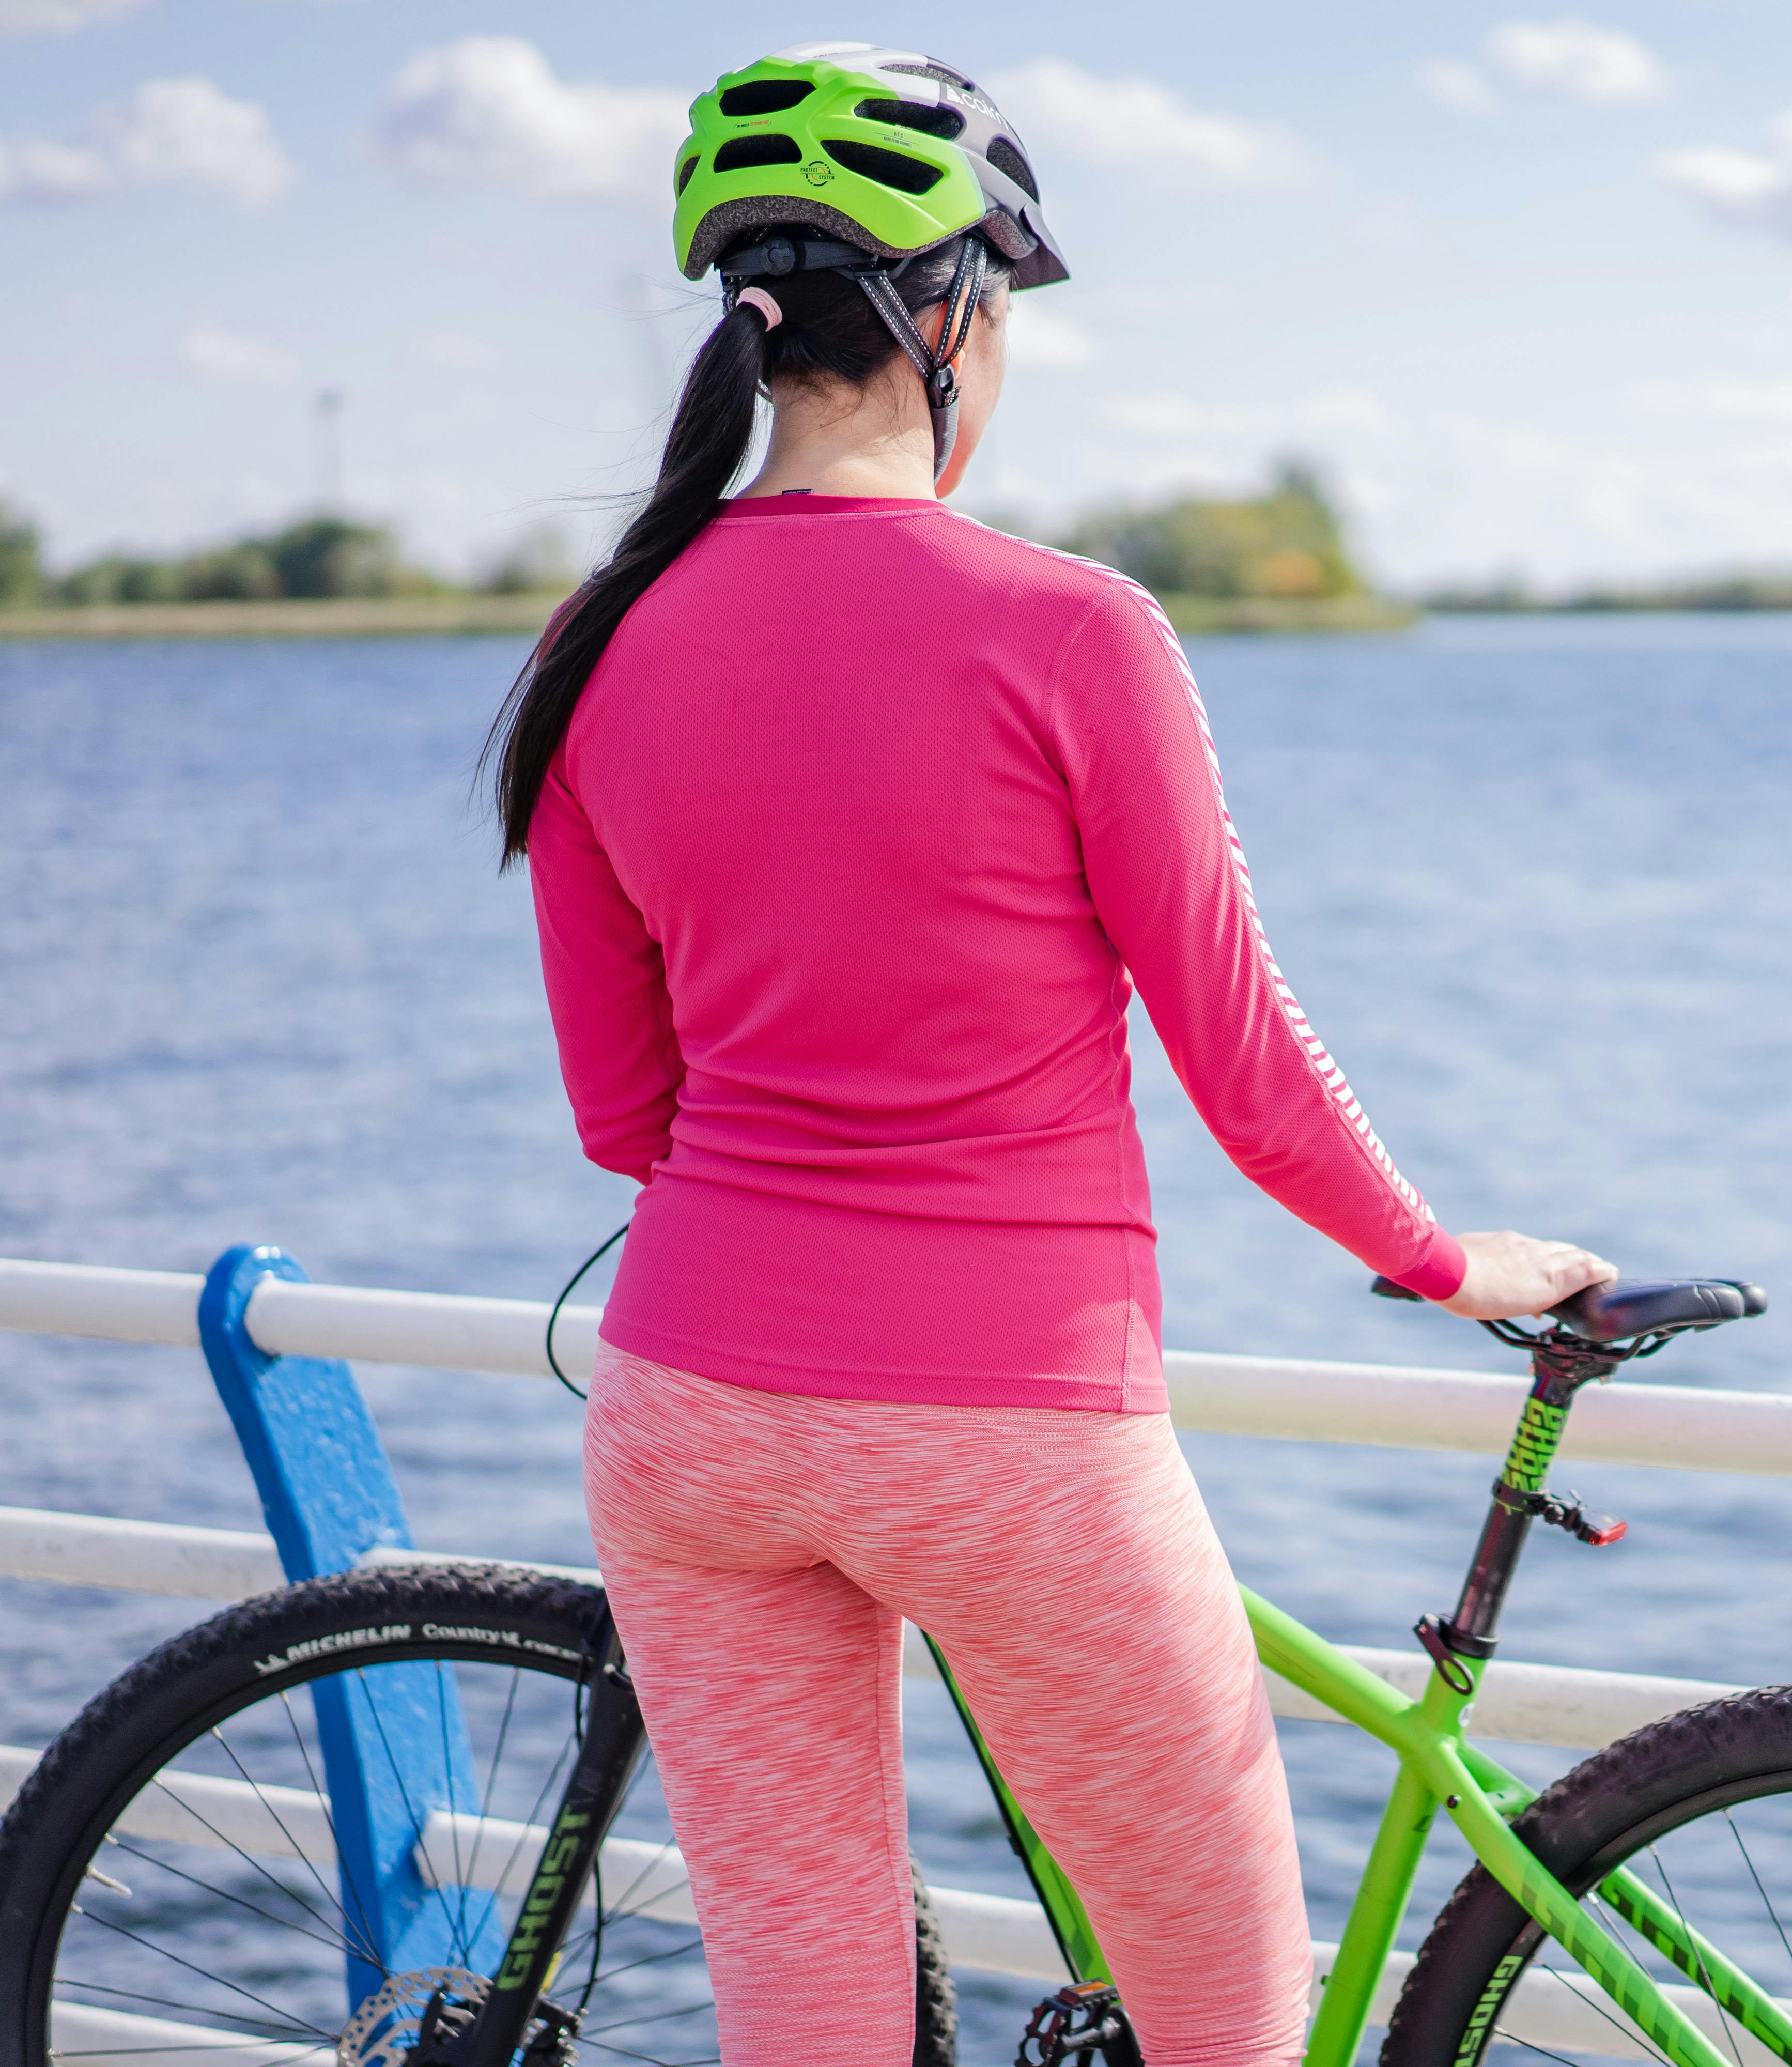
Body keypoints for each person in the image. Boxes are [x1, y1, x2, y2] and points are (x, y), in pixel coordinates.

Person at [482, 44, 1614, 2067]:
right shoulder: (1075, 629)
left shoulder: (600, 635)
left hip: (691, 1422)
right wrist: (1457, 1260)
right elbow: (1247, 1065)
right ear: (953, 320)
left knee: (811, 2017)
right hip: (1006, 1434)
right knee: (1228, 2016)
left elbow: (619, 1116)